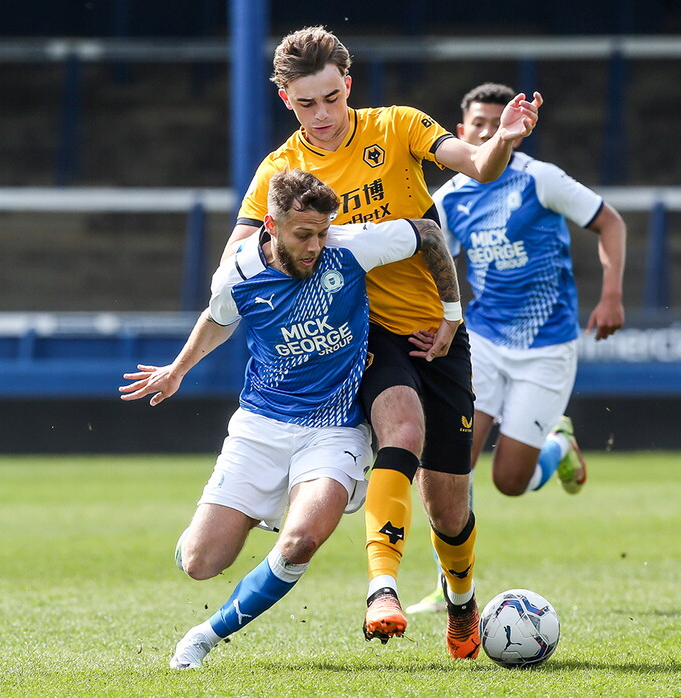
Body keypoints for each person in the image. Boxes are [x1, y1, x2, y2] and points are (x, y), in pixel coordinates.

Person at [223, 27, 541, 660]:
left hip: (438, 327)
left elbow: (476, 167)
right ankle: (382, 590)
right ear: (285, 99)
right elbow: (239, 257)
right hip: (358, 334)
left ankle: (460, 598)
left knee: (449, 506)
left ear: (349, 85)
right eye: (306, 103)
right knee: (402, 427)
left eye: (331, 99)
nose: (322, 115)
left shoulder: (398, 127)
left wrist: (502, 139)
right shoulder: (280, 173)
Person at [119, 169, 461, 669]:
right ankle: (261, 507)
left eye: (322, 232)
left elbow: (428, 234)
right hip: (261, 427)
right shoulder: (237, 271)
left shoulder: (348, 248)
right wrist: (177, 370)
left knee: (300, 541)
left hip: (336, 429)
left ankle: (203, 637)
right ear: (271, 225)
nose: (316, 245)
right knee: (200, 562)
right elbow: (217, 318)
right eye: (304, 234)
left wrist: (451, 312)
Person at [407, 82, 627, 614]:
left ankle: (559, 447)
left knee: (509, 480)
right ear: (461, 135)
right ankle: (450, 582)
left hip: (547, 348)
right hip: (481, 340)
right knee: (449, 459)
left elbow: (609, 222)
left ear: (518, 126)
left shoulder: (539, 179)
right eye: (476, 126)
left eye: (494, 122)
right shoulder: (451, 198)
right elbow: (426, 263)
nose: (486, 132)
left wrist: (612, 294)